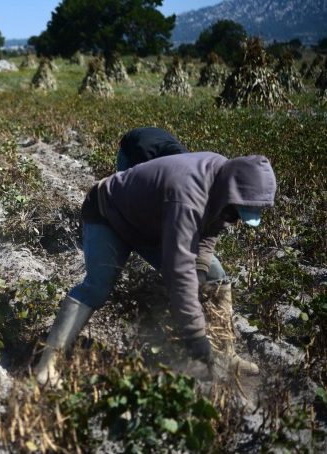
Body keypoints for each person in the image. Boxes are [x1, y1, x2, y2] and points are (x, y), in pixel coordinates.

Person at [34, 152, 276, 386]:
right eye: (236, 210)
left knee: (215, 276)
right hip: (108, 213)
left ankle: (227, 356)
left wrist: (200, 272)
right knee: (97, 286)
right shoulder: (188, 194)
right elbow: (178, 271)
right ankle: (47, 364)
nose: (234, 218)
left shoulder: (224, 182)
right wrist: (195, 334)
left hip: (150, 223)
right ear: (231, 190)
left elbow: (210, 230)